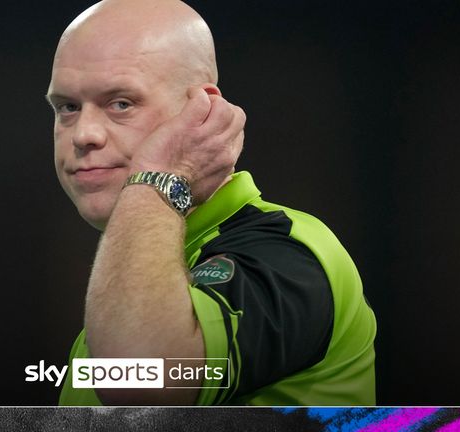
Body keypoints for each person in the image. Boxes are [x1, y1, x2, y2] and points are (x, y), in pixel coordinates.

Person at [47, 0, 376, 406]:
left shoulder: (288, 254)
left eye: (121, 103)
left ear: (200, 111)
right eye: (68, 107)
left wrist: (158, 177)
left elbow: (137, 384)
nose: (84, 134)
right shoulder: (136, 274)